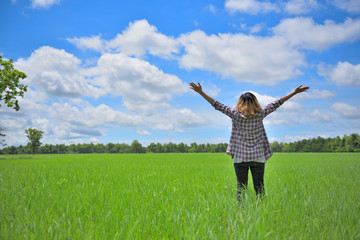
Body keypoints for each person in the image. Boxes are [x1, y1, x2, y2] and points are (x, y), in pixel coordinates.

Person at [189, 82, 309, 202]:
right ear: (255, 102)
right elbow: (277, 103)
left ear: (240, 102)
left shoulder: (234, 114)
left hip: (240, 158)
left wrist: (201, 92)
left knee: (241, 189)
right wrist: (294, 92)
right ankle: (262, 212)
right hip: (258, 158)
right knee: (260, 188)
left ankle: (241, 213)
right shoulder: (260, 114)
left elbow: (216, 104)